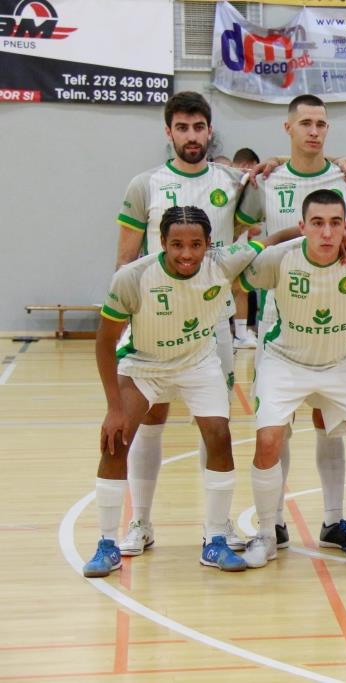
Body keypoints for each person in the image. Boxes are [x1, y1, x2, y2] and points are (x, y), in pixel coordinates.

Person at [235, 94, 346, 552]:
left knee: (330, 422)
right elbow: (235, 229)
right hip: (283, 319)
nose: (314, 130)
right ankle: (273, 527)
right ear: (287, 128)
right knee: (277, 428)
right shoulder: (266, 179)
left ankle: (335, 521)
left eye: (321, 123)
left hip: (336, 318)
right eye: (305, 123)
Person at [83, 207, 263, 577]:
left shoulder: (222, 263)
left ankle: (214, 539)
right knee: (115, 440)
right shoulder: (132, 278)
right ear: (162, 242)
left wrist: (321, 234)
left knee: (219, 436)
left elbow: (268, 242)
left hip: (197, 364)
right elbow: (104, 342)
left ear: (208, 244)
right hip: (144, 365)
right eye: (177, 244)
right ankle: (106, 543)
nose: (186, 253)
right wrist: (113, 407)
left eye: (196, 244)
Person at [114, 92, 251, 557]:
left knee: (214, 423)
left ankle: (216, 526)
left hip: (212, 323)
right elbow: (125, 259)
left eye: (199, 127)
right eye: (182, 128)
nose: (191, 136)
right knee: (150, 423)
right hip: (154, 320)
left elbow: (256, 232)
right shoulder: (144, 184)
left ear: (210, 131)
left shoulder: (234, 182)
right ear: (168, 132)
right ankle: (141, 521)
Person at [231, 147, 262, 349]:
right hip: (223, 242)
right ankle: (239, 334)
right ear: (247, 165)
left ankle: (241, 334)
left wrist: (249, 227)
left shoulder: (250, 186)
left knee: (240, 289)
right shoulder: (232, 181)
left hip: (237, 242)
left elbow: (255, 226)